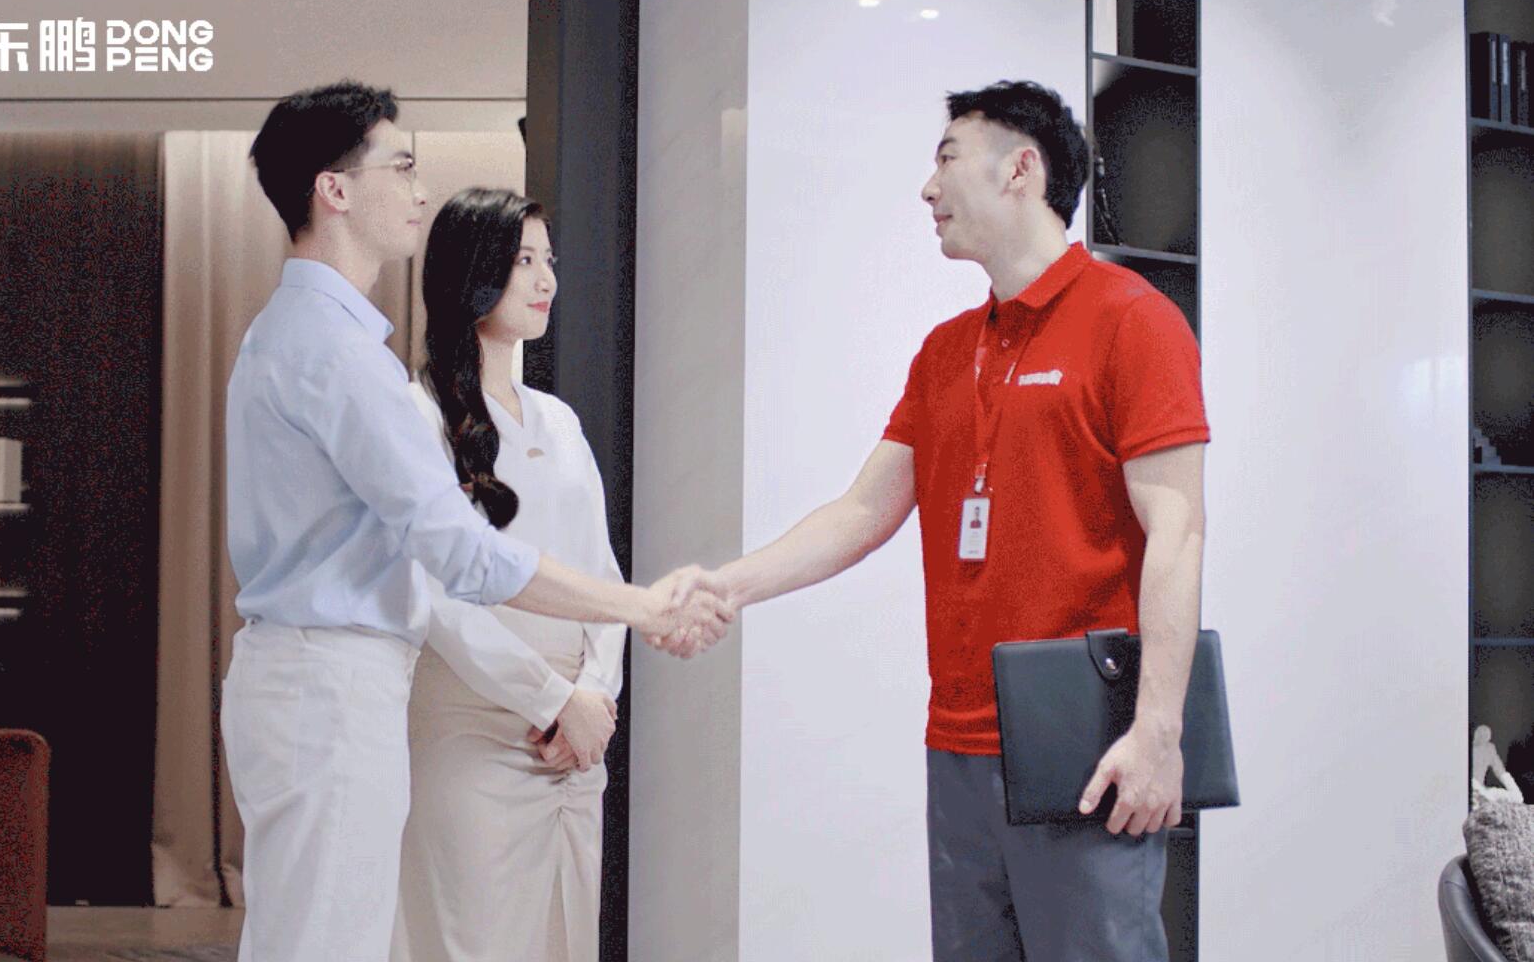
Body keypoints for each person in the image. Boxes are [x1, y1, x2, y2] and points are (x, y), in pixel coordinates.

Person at [672, 80, 1209, 961]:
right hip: (957, 741)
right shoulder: (946, 351)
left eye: (947, 158)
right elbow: (861, 511)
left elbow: (1177, 532)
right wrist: (724, 586)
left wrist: (1157, 732)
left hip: (1085, 741)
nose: (928, 188)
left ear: (1020, 170)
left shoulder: (1132, 322)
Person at [221, 81, 728, 962]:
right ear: (333, 190)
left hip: (329, 680)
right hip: (339, 683)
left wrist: (598, 671)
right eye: (401, 167)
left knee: (320, 938)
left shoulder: (314, 337)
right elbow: (456, 555)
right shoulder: (335, 352)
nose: (419, 190)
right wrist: (644, 609)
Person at [389, 187, 623, 962]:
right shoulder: (414, 414)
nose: (545, 279)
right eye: (523, 260)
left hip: (573, 739)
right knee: (471, 939)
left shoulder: (559, 421)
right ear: (472, 271)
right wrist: (552, 699)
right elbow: (435, 595)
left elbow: (601, 576)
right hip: (471, 722)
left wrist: (594, 697)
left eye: (548, 260)